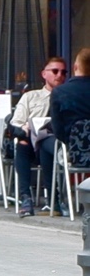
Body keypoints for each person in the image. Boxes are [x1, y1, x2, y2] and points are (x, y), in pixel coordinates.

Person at [10, 56, 65, 216]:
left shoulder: (67, 96)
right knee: (22, 143)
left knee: (47, 144)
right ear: (44, 74)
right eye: (55, 71)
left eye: (63, 72)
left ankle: (53, 201)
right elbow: (16, 122)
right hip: (31, 145)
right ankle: (25, 197)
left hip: (56, 144)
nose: (59, 75)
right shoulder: (31, 96)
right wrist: (25, 128)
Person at [49, 49, 90, 207]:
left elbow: (58, 130)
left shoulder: (60, 92)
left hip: (76, 151)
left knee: (47, 149)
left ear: (75, 67)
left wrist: (70, 141)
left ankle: (58, 201)